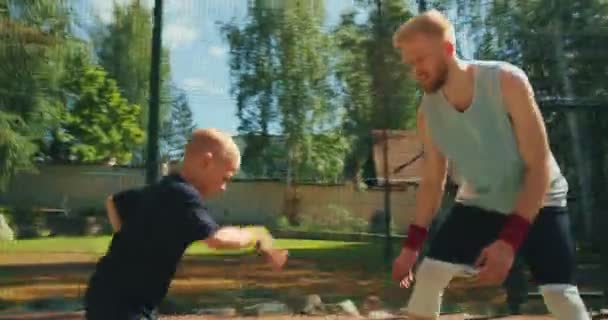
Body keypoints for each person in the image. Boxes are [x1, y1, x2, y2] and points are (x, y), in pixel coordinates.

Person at [390, 10, 590, 320]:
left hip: (539, 199)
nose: (416, 71)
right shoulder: (427, 112)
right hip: (481, 200)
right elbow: (432, 181)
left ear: (447, 50)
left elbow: (538, 166)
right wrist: (411, 246)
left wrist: (508, 242)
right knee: (430, 274)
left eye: (421, 59)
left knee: (559, 295)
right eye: (410, 64)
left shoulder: (507, 81)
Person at [84, 128, 288, 320]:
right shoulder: (183, 195)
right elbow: (217, 239)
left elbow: (114, 202)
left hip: (109, 295)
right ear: (206, 162)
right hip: (124, 304)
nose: (224, 187)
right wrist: (257, 233)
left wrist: (137, 243)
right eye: (225, 178)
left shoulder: (165, 188)